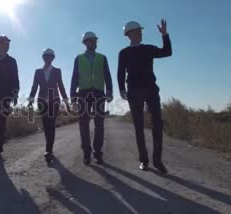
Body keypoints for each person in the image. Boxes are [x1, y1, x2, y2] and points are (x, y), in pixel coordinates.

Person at [118, 19, 172, 174]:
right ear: (130, 34)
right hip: (134, 92)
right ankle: (144, 160)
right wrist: (122, 88)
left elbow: (167, 52)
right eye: (138, 31)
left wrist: (164, 35)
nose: (141, 33)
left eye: (141, 31)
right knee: (139, 127)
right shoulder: (124, 53)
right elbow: (120, 72)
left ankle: (158, 161)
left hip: (151, 90)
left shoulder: (148, 49)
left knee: (157, 124)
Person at [70, 31, 113, 165]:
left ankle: (98, 152)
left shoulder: (102, 58)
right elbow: (74, 79)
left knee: (99, 124)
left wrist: (110, 91)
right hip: (83, 93)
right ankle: (87, 153)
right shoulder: (79, 59)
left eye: (94, 41)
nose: (93, 43)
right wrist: (73, 98)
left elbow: (107, 76)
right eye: (90, 41)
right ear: (85, 43)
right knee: (84, 124)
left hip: (99, 93)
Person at [28, 48, 69, 163]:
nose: (48, 58)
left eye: (50, 56)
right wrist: (31, 99)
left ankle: (48, 150)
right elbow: (34, 86)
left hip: (54, 101)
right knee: (46, 125)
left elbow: (61, 85)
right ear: (43, 58)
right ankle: (49, 147)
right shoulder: (38, 72)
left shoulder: (57, 71)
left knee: (51, 123)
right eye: (46, 56)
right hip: (42, 101)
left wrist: (66, 100)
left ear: (53, 58)